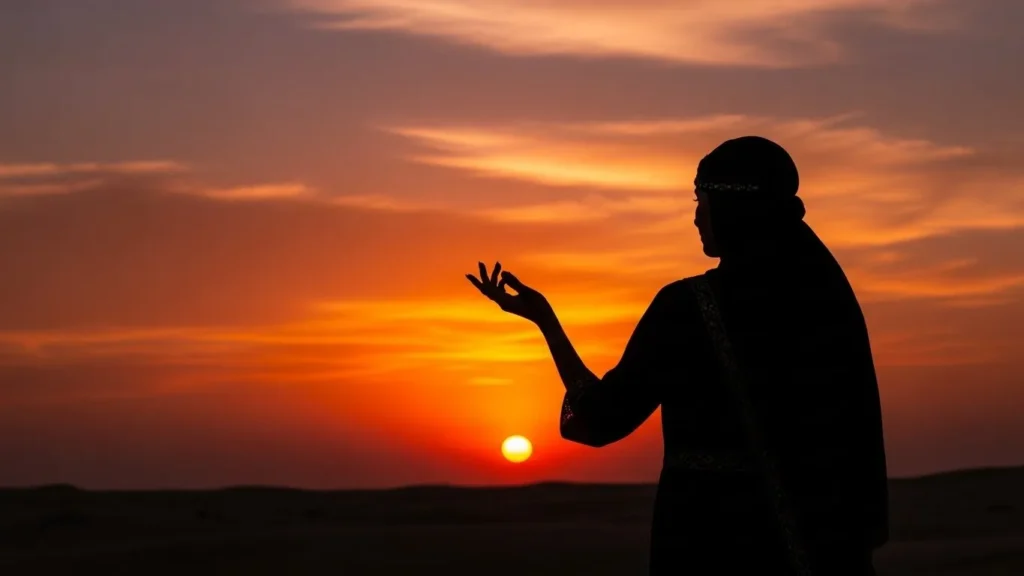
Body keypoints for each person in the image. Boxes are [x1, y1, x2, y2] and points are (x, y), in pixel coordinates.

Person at [466, 136, 889, 575]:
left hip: (708, 543)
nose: (695, 216)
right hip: (817, 549)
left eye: (701, 199)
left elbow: (602, 418)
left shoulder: (688, 307)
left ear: (731, 208)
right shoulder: (825, 305)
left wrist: (545, 323)